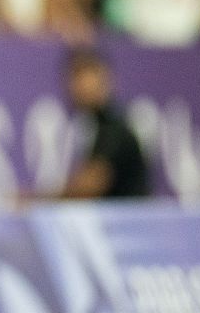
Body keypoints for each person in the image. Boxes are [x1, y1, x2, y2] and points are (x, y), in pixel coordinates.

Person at [58, 47, 150, 200]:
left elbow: (88, 188)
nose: (81, 87)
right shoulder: (92, 128)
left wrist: (34, 201)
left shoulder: (115, 131)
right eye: (75, 77)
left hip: (129, 221)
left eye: (86, 77)